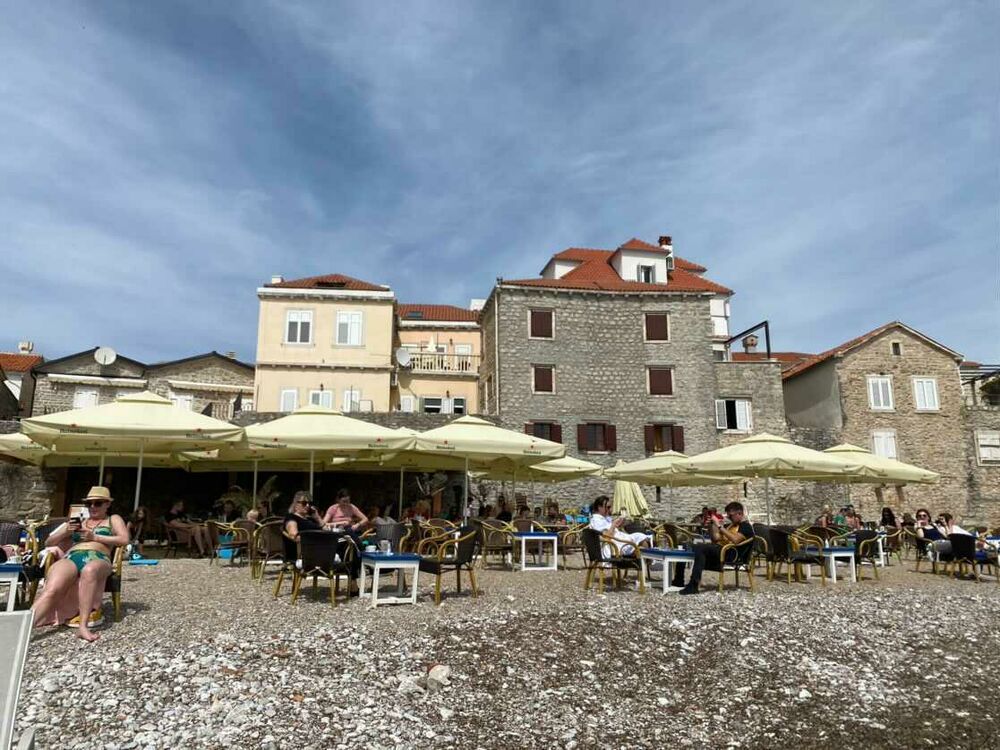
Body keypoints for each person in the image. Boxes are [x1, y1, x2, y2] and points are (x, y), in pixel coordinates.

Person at [31, 486, 130, 642]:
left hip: (98, 557)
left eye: (98, 503)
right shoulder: (78, 521)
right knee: (53, 587)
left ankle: (83, 627)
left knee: (90, 570)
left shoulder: (113, 519)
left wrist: (95, 537)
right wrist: (65, 531)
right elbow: (48, 542)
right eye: (89, 503)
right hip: (73, 556)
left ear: (107, 505)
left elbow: (124, 539)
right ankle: (23, 627)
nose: (92, 507)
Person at [671, 501, 755, 595]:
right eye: (728, 516)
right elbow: (715, 539)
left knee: (701, 548)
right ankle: (679, 580)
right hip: (721, 550)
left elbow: (735, 540)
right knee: (686, 546)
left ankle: (693, 585)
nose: (729, 518)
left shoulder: (746, 526)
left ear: (740, 513)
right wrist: (711, 526)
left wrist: (719, 526)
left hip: (730, 554)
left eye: (731, 516)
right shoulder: (731, 525)